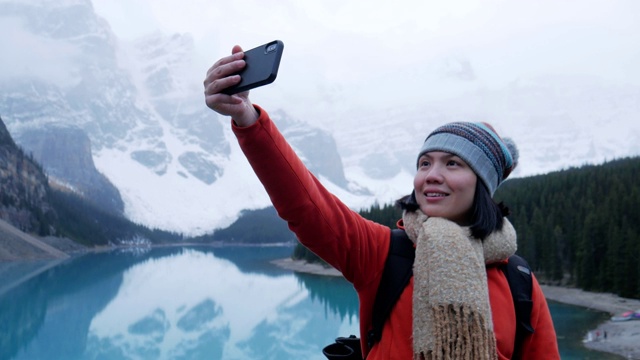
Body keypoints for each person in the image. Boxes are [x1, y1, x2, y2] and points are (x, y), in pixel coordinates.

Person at [204, 45, 560, 360]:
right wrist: (247, 118)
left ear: (482, 185)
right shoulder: (384, 253)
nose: (431, 175)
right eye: (425, 163)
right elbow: (306, 204)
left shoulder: (518, 282)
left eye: (452, 164)